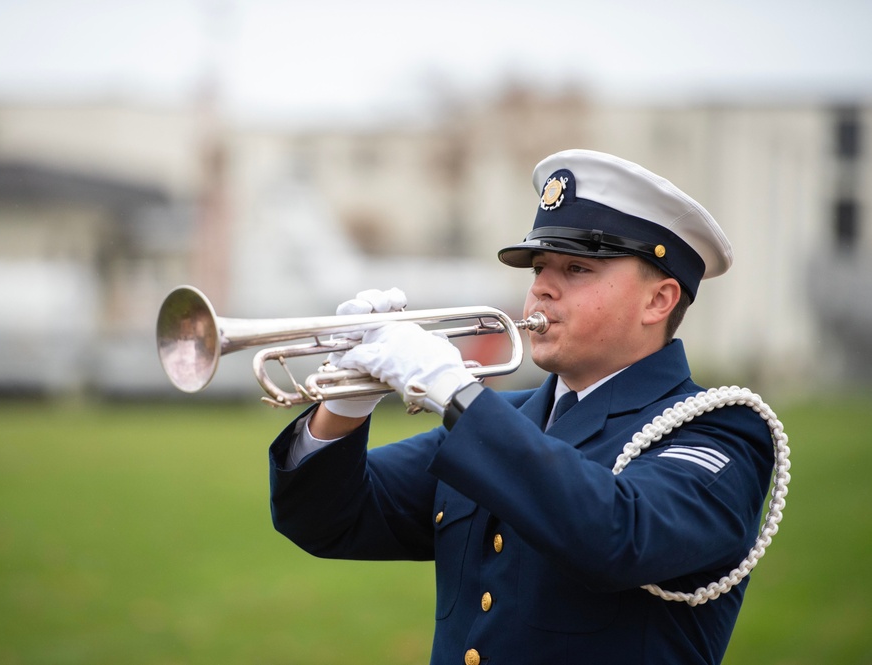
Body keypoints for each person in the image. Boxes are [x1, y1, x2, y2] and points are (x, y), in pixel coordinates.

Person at [267, 148, 775, 664]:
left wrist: (451, 387)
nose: (540, 290)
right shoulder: (500, 422)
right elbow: (325, 519)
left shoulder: (718, 432)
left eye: (576, 267)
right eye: (539, 267)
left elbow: (619, 536)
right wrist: (348, 404)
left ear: (658, 301)